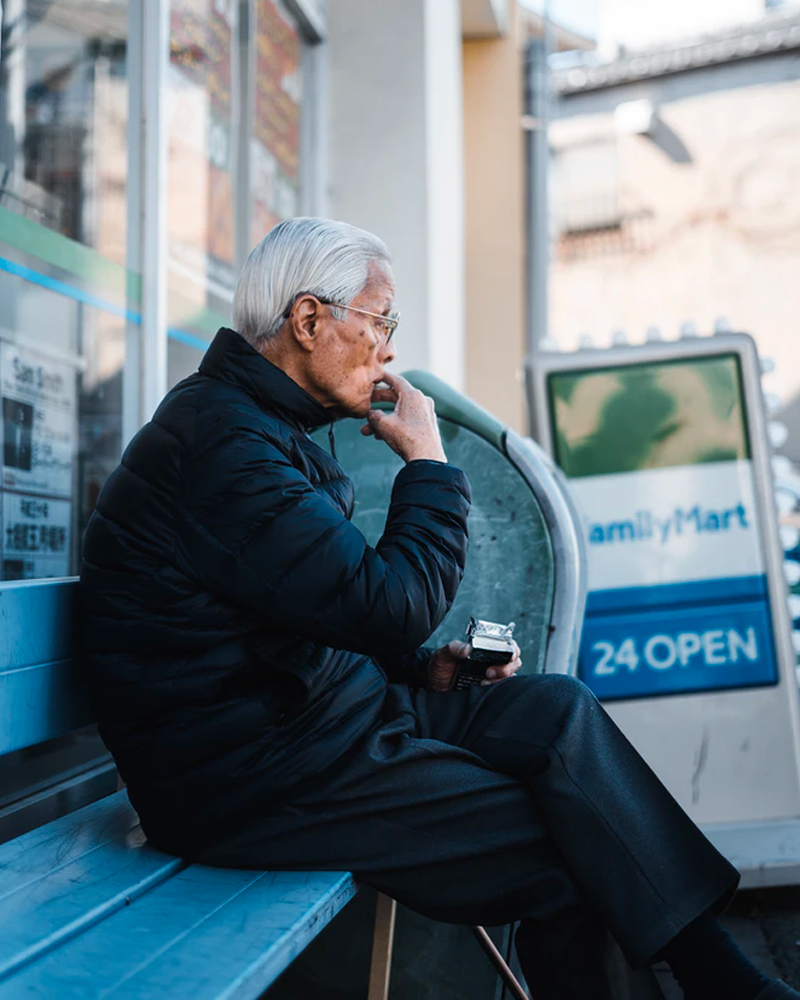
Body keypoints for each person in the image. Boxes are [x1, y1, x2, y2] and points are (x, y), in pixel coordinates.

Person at [79, 217, 797, 1000]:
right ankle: (731, 985)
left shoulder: (249, 426)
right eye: (380, 321)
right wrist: (428, 460)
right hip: (251, 780)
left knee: (553, 710)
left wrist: (430, 671)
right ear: (309, 319)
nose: (388, 347)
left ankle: (724, 979)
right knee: (565, 857)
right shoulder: (224, 448)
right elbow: (391, 607)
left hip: (317, 729)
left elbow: (310, 616)